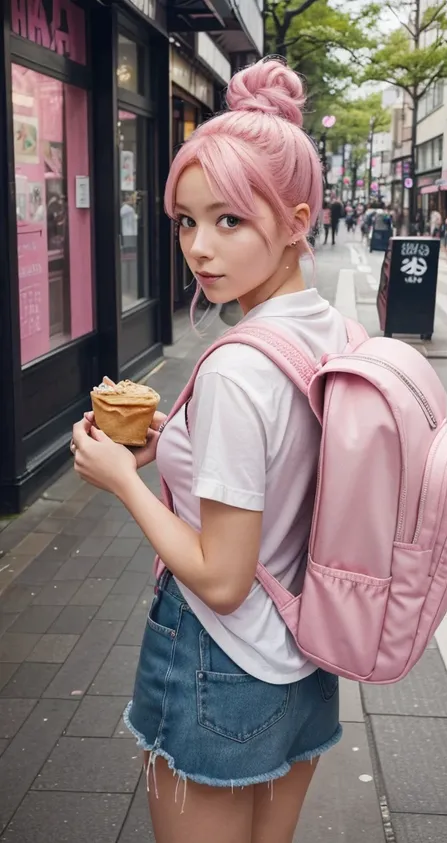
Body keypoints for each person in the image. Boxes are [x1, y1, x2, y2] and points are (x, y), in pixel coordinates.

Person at [70, 58, 346, 843]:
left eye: (230, 220)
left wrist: (124, 479)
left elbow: (222, 579)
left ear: (296, 218)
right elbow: (281, 461)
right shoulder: (329, 330)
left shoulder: (235, 367)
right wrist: (175, 446)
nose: (199, 246)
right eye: (187, 221)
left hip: (219, 659)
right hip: (307, 654)